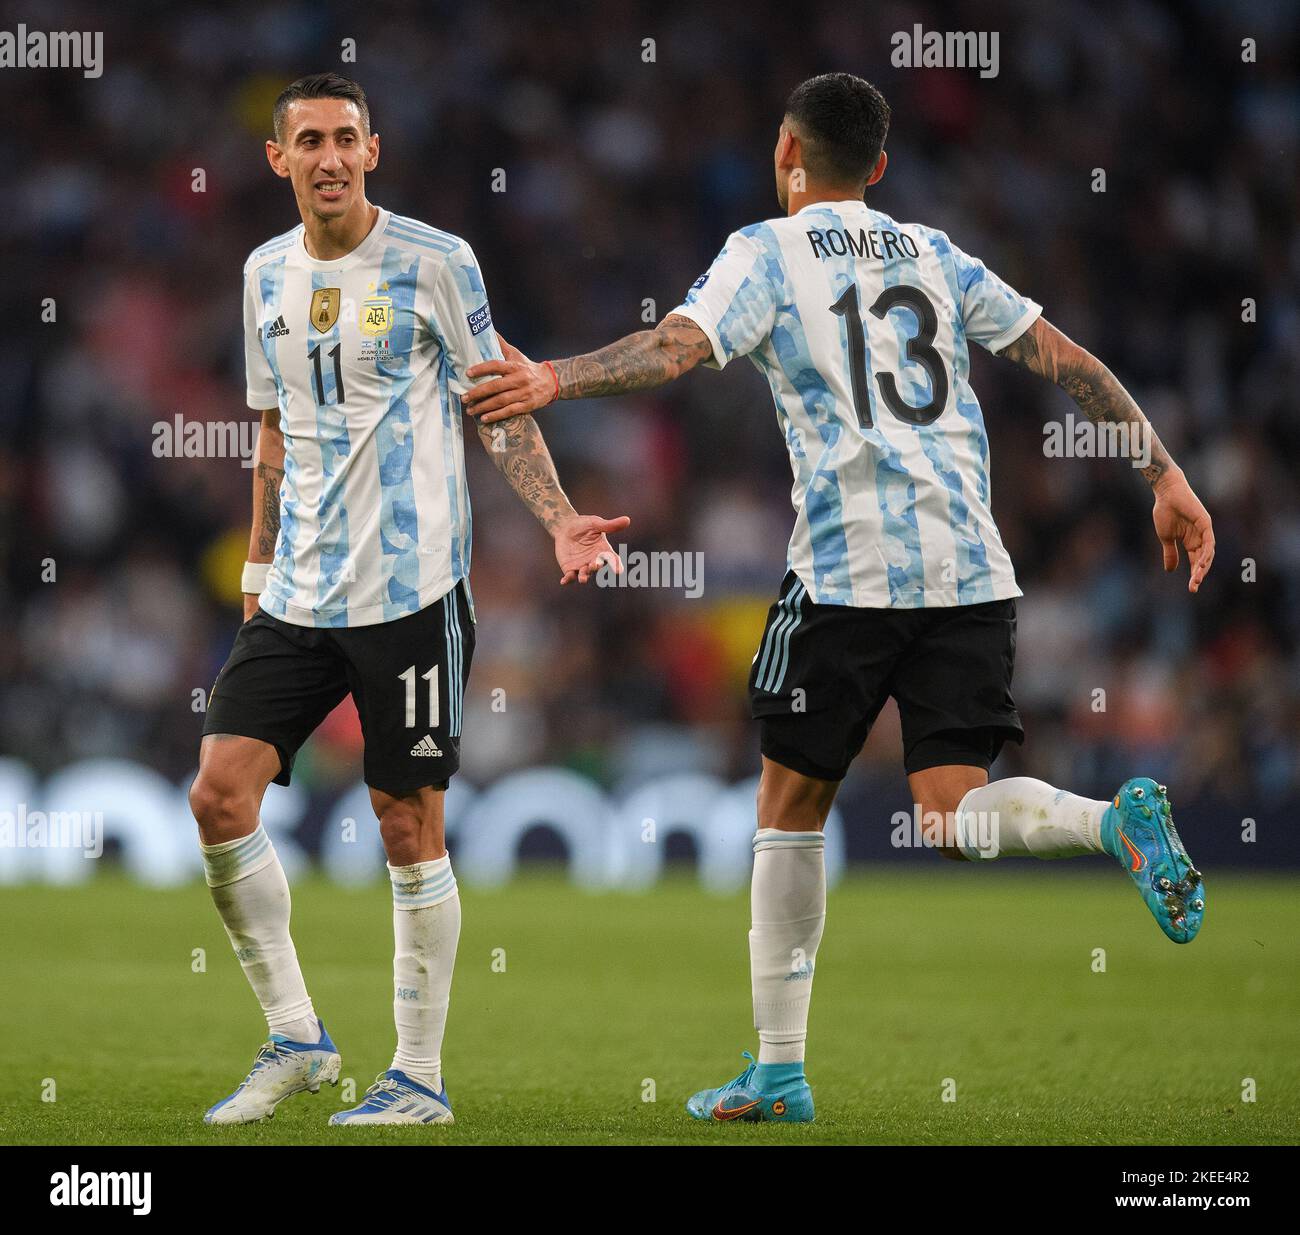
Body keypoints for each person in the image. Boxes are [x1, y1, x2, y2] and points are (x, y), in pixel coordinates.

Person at [461, 72, 1214, 1125]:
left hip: (848, 576)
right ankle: (1108, 823)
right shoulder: (936, 255)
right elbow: (1063, 358)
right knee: (948, 816)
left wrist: (554, 378)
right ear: (882, 168)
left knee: (788, 805)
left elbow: (677, 346)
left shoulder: (765, 253)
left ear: (786, 156)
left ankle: (777, 1068)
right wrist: (1164, 473)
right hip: (972, 575)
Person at [190, 73, 628, 1127]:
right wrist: (254, 578)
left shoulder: (438, 262)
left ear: (373, 151)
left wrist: (561, 517)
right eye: (311, 141)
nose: (331, 156)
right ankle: (296, 1034)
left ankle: (419, 1077)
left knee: (406, 822)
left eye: (348, 137)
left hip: (411, 592)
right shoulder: (261, 276)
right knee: (217, 795)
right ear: (278, 158)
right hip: (296, 591)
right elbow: (271, 436)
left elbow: (498, 409)